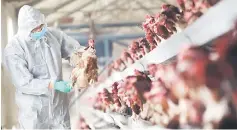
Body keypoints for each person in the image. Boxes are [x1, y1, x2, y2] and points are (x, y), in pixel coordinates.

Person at [3, 5, 94, 129]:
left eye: (41, 26)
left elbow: (73, 50)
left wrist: (83, 57)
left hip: (58, 107)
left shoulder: (52, 35)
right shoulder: (14, 49)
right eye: (35, 29)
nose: (40, 30)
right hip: (35, 111)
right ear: (26, 29)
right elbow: (24, 83)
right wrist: (53, 85)